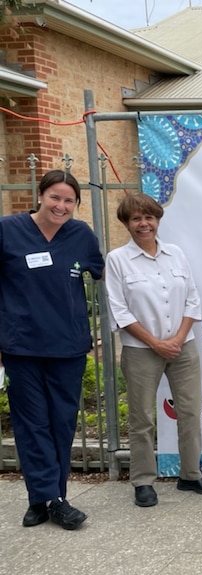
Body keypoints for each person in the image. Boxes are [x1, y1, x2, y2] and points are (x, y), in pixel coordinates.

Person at [0, 170, 104, 530]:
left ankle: (44, 498)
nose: (61, 206)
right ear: (40, 195)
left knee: (60, 422)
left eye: (69, 200)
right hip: (21, 347)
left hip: (68, 347)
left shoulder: (81, 236)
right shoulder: (8, 230)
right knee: (31, 424)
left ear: (76, 204)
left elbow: (105, 273)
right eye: (55, 197)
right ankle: (50, 499)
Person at [105, 193, 202, 508]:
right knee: (141, 418)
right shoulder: (117, 260)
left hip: (183, 346)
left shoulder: (175, 254)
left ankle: (190, 475)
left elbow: (192, 299)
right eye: (136, 219)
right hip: (141, 350)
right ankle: (143, 481)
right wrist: (156, 342)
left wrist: (178, 338)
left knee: (191, 411)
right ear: (127, 224)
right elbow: (119, 310)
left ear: (157, 220)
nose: (144, 224)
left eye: (149, 217)